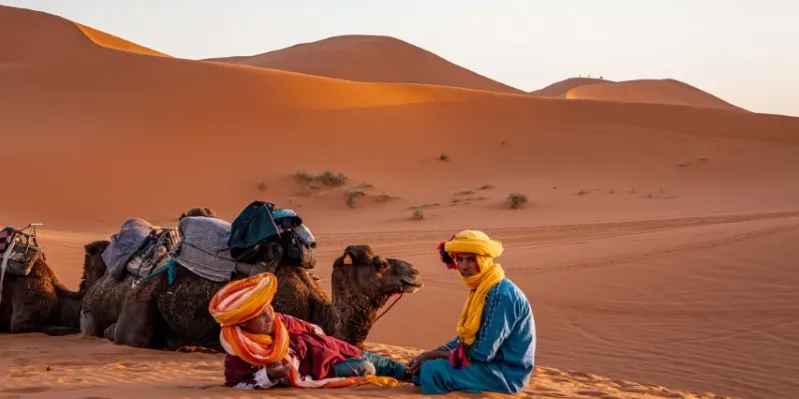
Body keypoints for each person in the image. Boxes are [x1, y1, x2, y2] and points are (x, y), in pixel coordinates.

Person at [208, 272, 409, 390]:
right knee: (367, 368)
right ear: (243, 322)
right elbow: (237, 385)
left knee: (397, 368)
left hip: (336, 349)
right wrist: (269, 374)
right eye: (261, 315)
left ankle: (418, 373)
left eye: (268, 310)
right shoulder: (241, 352)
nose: (270, 317)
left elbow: (315, 330)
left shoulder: (281, 321)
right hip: (325, 369)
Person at [406, 230, 536, 395]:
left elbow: (483, 353)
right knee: (421, 368)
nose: (464, 266)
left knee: (433, 370)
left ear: (484, 260)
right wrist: (433, 353)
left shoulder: (501, 295)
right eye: (459, 259)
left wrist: (434, 355)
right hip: (489, 366)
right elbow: (468, 338)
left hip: (506, 374)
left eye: (471, 259)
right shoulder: (482, 288)